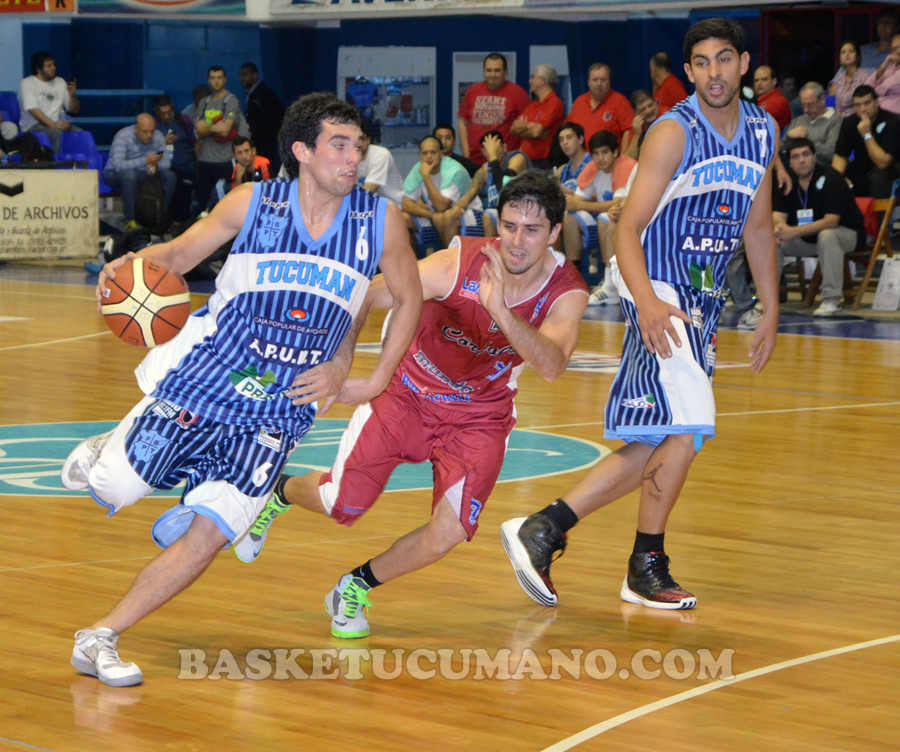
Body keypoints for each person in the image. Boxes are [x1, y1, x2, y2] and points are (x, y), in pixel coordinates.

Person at [60, 93, 422, 687]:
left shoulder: (379, 220)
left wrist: (369, 375)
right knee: (117, 486)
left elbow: (408, 298)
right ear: (302, 151)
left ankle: (100, 636)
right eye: (339, 145)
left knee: (213, 534)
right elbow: (178, 254)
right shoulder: (253, 202)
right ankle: (110, 451)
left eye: (357, 146)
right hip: (210, 375)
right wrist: (127, 265)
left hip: (282, 405)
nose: (353, 157)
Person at [234, 170, 589, 639]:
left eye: (532, 230)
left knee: (448, 533)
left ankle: (355, 585)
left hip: (479, 415)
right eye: (508, 226)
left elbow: (552, 365)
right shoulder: (456, 263)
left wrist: (500, 309)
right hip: (407, 393)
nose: (517, 242)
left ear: (555, 232)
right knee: (342, 504)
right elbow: (370, 293)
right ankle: (278, 491)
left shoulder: (567, 290)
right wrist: (342, 363)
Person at [501, 17, 779, 611]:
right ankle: (643, 562)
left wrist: (772, 308)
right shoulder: (674, 132)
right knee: (691, 423)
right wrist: (647, 300)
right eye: (701, 62)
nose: (713, 72)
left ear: (743, 64)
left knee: (663, 434)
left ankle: (547, 528)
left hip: (703, 298)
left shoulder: (763, 131)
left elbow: (757, 227)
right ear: (689, 72)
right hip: (657, 283)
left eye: (723, 59)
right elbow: (627, 227)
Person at [774, 138, 865, 317]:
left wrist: (793, 231)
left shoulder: (832, 178)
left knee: (827, 235)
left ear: (815, 157)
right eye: (796, 157)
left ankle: (832, 299)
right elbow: (777, 215)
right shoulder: (786, 181)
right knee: (773, 238)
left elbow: (831, 221)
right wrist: (780, 227)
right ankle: (766, 299)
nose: (802, 160)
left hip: (846, 234)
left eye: (806, 154)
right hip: (807, 238)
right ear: (789, 162)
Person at [562, 130, 635, 286]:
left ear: (615, 152)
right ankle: (572, 276)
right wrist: (572, 203)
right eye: (596, 153)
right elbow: (577, 199)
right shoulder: (592, 167)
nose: (600, 158)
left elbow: (617, 204)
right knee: (569, 216)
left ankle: (608, 280)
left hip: (627, 222)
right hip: (600, 221)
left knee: (605, 217)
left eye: (605, 152)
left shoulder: (626, 166)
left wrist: (579, 205)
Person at [443, 129, 530, 239]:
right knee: (450, 217)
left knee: (488, 215)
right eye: (488, 150)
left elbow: (503, 187)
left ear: (504, 147)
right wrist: (457, 207)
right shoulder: (486, 169)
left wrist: (493, 156)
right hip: (498, 213)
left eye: (495, 149)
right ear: (483, 152)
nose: (492, 152)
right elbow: (470, 193)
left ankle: (490, 250)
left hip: (521, 211)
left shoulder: (517, 158)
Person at [401, 135, 477, 249]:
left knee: (446, 217)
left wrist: (426, 176)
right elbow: (405, 203)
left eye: (433, 152)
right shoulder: (419, 168)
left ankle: (452, 259)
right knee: (401, 218)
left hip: (470, 214)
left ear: (441, 154)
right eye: (425, 153)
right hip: (438, 216)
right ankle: (414, 260)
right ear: (420, 155)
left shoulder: (454, 170)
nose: (428, 157)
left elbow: (442, 206)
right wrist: (431, 215)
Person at [104, 114, 176, 231]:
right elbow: (118, 165)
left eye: (152, 131)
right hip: (114, 174)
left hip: (144, 171)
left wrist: (156, 166)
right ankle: (130, 219)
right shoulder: (123, 136)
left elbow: (167, 163)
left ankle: (160, 215)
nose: (149, 135)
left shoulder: (158, 136)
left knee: (170, 176)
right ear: (136, 129)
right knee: (130, 175)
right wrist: (145, 161)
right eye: (145, 132)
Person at [458, 53, 531, 164]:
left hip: (505, 161)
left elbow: (527, 127)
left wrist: (520, 155)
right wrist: (466, 151)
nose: (492, 74)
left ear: (505, 72)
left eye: (497, 70)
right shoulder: (473, 90)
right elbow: (463, 122)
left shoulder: (518, 93)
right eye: (489, 70)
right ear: (483, 71)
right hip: (474, 160)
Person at [832, 84, 900, 198]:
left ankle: (883, 210)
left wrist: (866, 134)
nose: (862, 109)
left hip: (891, 169)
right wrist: (838, 178)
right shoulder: (849, 122)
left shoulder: (892, 121)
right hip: (862, 167)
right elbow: (840, 155)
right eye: (858, 105)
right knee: (837, 177)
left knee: (880, 176)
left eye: (867, 103)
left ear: (876, 103)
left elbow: (883, 163)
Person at [195, 66, 243, 213]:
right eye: (213, 78)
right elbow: (198, 131)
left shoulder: (231, 100)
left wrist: (206, 128)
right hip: (205, 160)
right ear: (209, 80)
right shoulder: (204, 102)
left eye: (219, 77)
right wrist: (214, 127)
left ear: (225, 79)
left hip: (224, 160)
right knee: (204, 204)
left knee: (225, 203)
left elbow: (225, 130)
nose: (216, 81)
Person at [17, 51, 81, 154]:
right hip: (33, 126)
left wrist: (72, 95)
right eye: (49, 65)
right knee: (57, 134)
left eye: (54, 64)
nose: (54, 68)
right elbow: (34, 111)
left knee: (80, 134)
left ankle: (81, 162)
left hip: (58, 124)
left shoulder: (60, 82)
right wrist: (54, 126)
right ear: (38, 69)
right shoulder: (27, 83)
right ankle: (56, 163)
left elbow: (74, 110)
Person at [566, 63, 634, 150]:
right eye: (595, 80)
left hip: (610, 157)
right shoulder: (579, 102)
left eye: (603, 80)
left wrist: (623, 157)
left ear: (609, 82)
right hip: (582, 157)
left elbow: (629, 131)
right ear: (588, 82)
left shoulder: (620, 101)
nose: (599, 84)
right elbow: (569, 129)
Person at [510, 64, 565, 168]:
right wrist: (530, 126)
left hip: (545, 162)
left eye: (533, 77)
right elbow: (513, 128)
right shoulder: (532, 105)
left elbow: (536, 132)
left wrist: (524, 127)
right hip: (528, 161)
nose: (530, 81)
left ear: (542, 80)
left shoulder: (554, 103)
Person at [154, 95, 196, 222]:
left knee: (184, 194)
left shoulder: (183, 120)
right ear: (157, 112)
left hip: (186, 166)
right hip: (166, 167)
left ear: (172, 108)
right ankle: (166, 221)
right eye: (163, 114)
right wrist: (163, 142)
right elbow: (149, 149)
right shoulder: (153, 125)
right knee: (171, 184)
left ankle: (182, 223)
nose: (167, 116)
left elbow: (195, 142)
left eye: (169, 112)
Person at [238, 62, 285, 172]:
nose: (242, 78)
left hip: (265, 144)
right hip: (256, 142)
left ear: (255, 75)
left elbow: (278, 115)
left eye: (245, 74)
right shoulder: (250, 94)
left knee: (264, 172)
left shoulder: (264, 93)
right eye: (240, 75)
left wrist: (268, 135)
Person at [784, 82, 842, 165]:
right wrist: (788, 136)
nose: (806, 110)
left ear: (822, 99)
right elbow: (778, 150)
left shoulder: (836, 121)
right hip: (792, 167)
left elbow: (830, 153)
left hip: (820, 168)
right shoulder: (799, 120)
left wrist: (805, 138)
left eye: (810, 104)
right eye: (803, 105)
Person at [356, 121, 404, 207]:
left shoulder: (381, 155)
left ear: (368, 140)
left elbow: (367, 193)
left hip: (395, 206)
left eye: (362, 139)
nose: (358, 144)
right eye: (354, 139)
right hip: (371, 207)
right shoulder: (346, 157)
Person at [830, 41, 871, 117]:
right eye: (843, 52)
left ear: (857, 56)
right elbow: (830, 103)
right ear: (840, 58)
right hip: (837, 118)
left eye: (851, 51)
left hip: (857, 118)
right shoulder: (839, 79)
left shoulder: (865, 78)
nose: (847, 55)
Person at [622, 89, 661, 161]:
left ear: (656, 103)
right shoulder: (636, 127)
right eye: (643, 109)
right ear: (635, 113)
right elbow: (628, 161)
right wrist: (636, 135)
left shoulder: (669, 115)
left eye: (650, 105)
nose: (648, 111)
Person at [866, 33, 900, 114]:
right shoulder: (890, 66)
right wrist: (884, 64)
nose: (899, 51)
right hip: (878, 111)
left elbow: (888, 85)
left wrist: (874, 91)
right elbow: (867, 85)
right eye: (895, 48)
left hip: (895, 114)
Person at [754, 65, 792, 131]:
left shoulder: (779, 101)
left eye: (764, 79)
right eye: (756, 80)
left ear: (774, 81)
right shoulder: (757, 100)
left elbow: (757, 120)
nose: (759, 83)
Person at [861, 8, 900, 72]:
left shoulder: (896, 53)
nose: (883, 26)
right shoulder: (863, 50)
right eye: (881, 22)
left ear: (897, 28)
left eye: (888, 23)